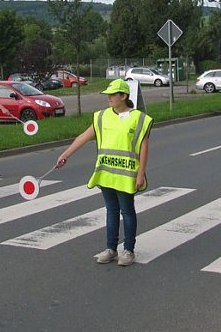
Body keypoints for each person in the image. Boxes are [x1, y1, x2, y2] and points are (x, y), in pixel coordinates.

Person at [55, 78, 153, 266]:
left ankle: (129, 250)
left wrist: (141, 173)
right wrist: (66, 154)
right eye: (107, 95)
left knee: (127, 211)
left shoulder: (139, 118)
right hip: (106, 172)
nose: (108, 98)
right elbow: (84, 136)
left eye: (112, 94)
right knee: (111, 211)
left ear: (123, 96)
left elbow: (144, 146)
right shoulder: (101, 116)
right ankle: (111, 249)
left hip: (126, 175)